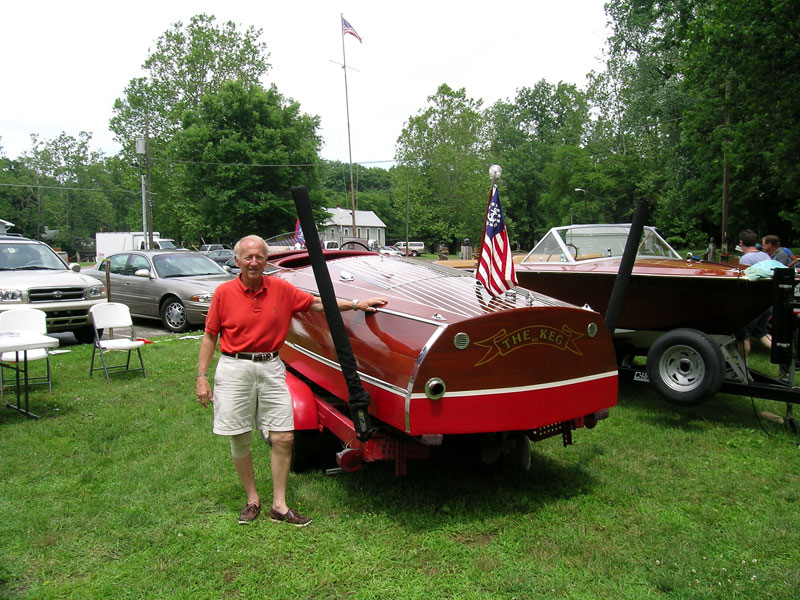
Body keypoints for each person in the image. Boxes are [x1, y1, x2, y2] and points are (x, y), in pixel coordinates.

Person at [196, 234, 387, 526]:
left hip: (271, 365)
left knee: (284, 436)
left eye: (260, 256)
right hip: (235, 368)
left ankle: (279, 505)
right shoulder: (224, 293)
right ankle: (252, 499)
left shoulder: (281, 289)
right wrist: (202, 377)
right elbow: (210, 335)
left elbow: (316, 304)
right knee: (240, 436)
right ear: (237, 261)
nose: (254, 262)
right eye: (248, 257)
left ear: (266, 260)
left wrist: (357, 303)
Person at [736, 230, 772, 356]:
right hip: (767, 302)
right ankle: (784, 356)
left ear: (741, 243)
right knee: (762, 334)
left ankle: (743, 368)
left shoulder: (745, 259)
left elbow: (744, 281)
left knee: (743, 336)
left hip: (752, 304)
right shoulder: (765, 256)